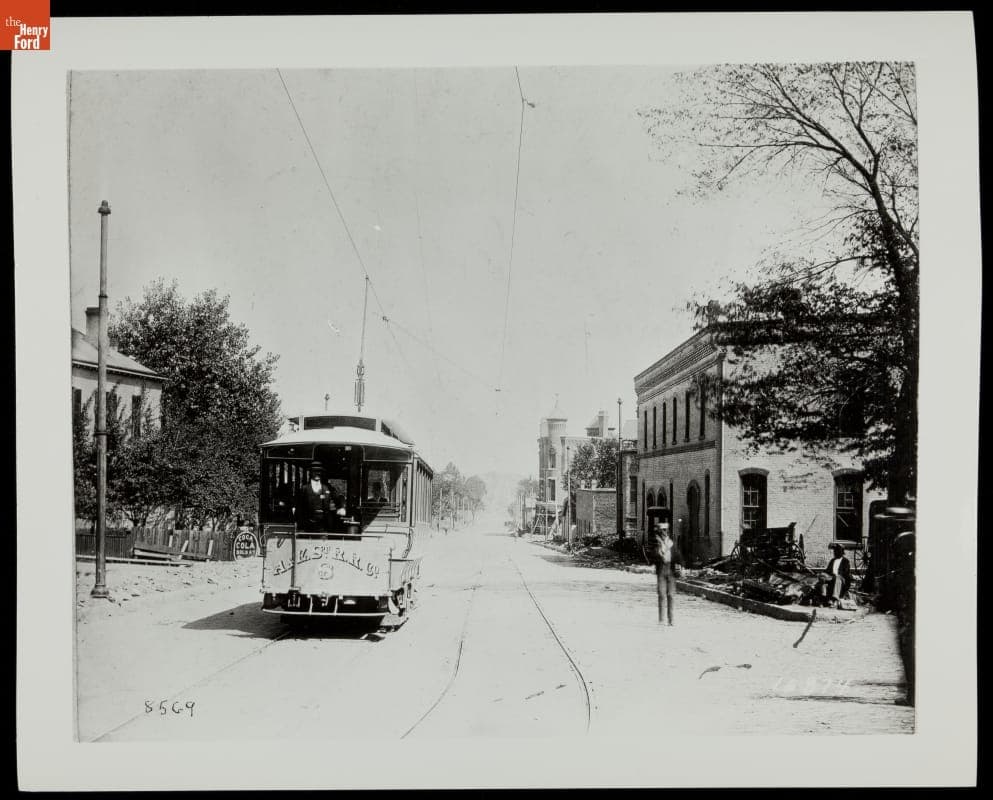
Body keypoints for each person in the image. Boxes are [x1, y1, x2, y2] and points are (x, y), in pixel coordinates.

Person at [653, 521, 683, 626]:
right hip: (661, 570)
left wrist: (680, 566)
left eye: (665, 531)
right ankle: (661, 620)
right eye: (662, 531)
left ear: (668, 532)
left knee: (671, 595)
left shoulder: (672, 544)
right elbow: (653, 557)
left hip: (671, 571)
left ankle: (671, 620)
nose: (664, 533)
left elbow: (679, 557)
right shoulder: (656, 544)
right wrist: (660, 548)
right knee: (661, 595)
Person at [295, 461, 336, 532]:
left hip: (323, 526)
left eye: (319, 471)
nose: (317, 473)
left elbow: (335, 501)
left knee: (323, 542)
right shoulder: (304, 489)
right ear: (310, 472)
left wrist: (341, 507)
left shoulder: (327, 488)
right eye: (315, 471)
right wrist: (300, 526)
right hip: (307, 526)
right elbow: (299, 508)